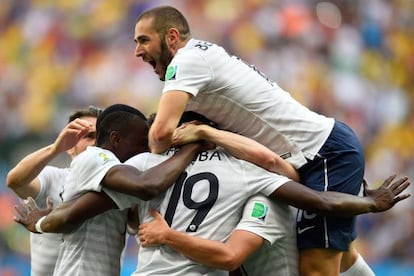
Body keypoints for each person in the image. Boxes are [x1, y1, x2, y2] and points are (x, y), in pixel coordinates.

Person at [133, 5, 390, 275]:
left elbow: (160, 137)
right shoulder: (204, 55)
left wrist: (175, 149)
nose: (138, 51)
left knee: (316, 268)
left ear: (172, 37)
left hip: (321, 153)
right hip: (316, 153)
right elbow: (272, 162)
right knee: (343, 256)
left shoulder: (187, 61)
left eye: (143, 40)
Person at [15, 110, 410, 275]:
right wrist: (370, 203)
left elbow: (81, 211)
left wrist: (44, 221)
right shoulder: (249, 173)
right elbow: (321, 200)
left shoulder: (142, 167)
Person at [14, 104, 203, 276]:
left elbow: (82, 212)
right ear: (115, 139)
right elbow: (148, 186)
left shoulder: (120, 177)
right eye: (141, 143)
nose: (145, 151)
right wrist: (193, 147)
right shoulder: (94, 157)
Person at [6, 106, 101, 276]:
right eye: (89, 136)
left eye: (101, 137)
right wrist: (55, 148)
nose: (95, 143)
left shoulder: (120, 186)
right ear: (71, 147)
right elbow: (15, 181)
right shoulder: (53, 177)